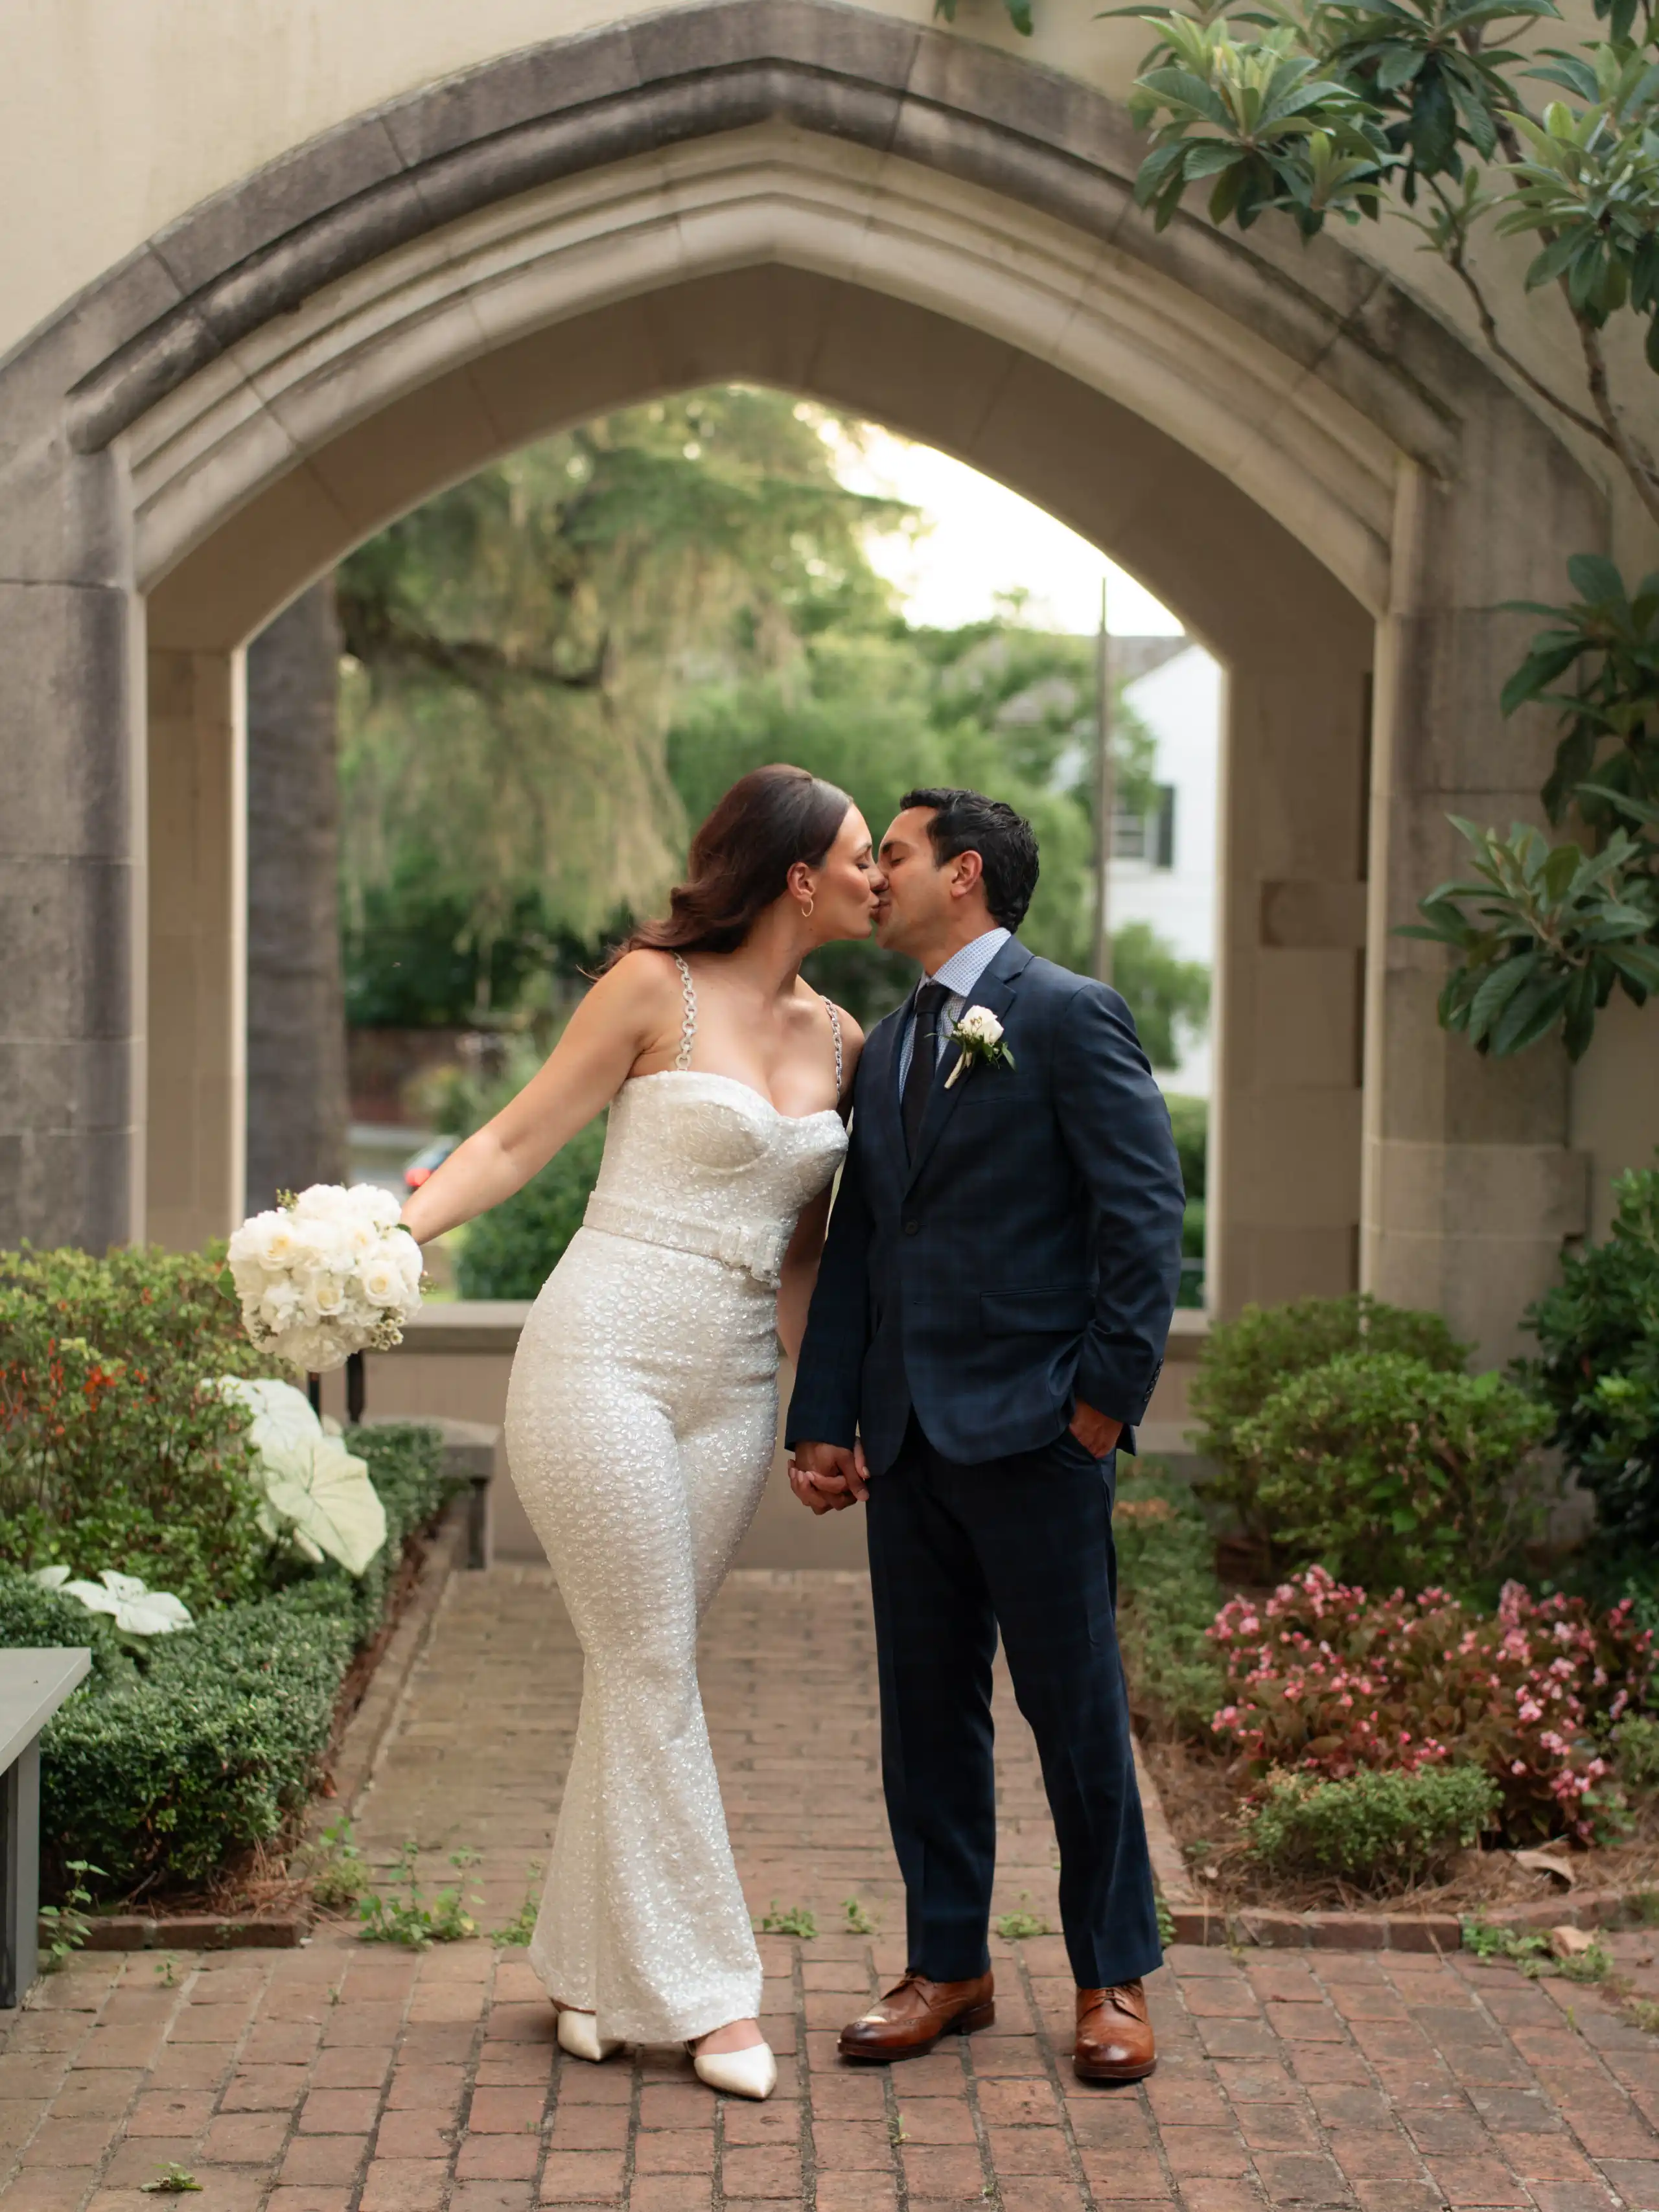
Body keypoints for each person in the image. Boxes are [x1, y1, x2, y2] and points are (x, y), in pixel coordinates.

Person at [399, 765, 876, 2101]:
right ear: (797, 877)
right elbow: (513, 1144)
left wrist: (820, 1413)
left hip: (732, 1387)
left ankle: (584, 1972)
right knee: (654, 1661)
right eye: (858, 855)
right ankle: (714, 1997)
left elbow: (805, 1256)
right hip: (598, 1356)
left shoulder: (847, 1040)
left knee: (635, 1667)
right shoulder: (650, 988)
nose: (876, 876)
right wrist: (388, 1236)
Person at [787, 787, 1185, 2084]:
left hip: (1038, 1438)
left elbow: (1142, 1218)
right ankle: (946, 1966)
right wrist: (825, 1417)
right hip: (906, 1442)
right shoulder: (886, 1046)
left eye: (893, 856)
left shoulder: (1066, 1015)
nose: (875, 878)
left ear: (963, 874)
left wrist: (1099, 1407)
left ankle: (1111, 1977)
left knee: (1077, 1721)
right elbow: (860, 1241)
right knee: (926, 1725)